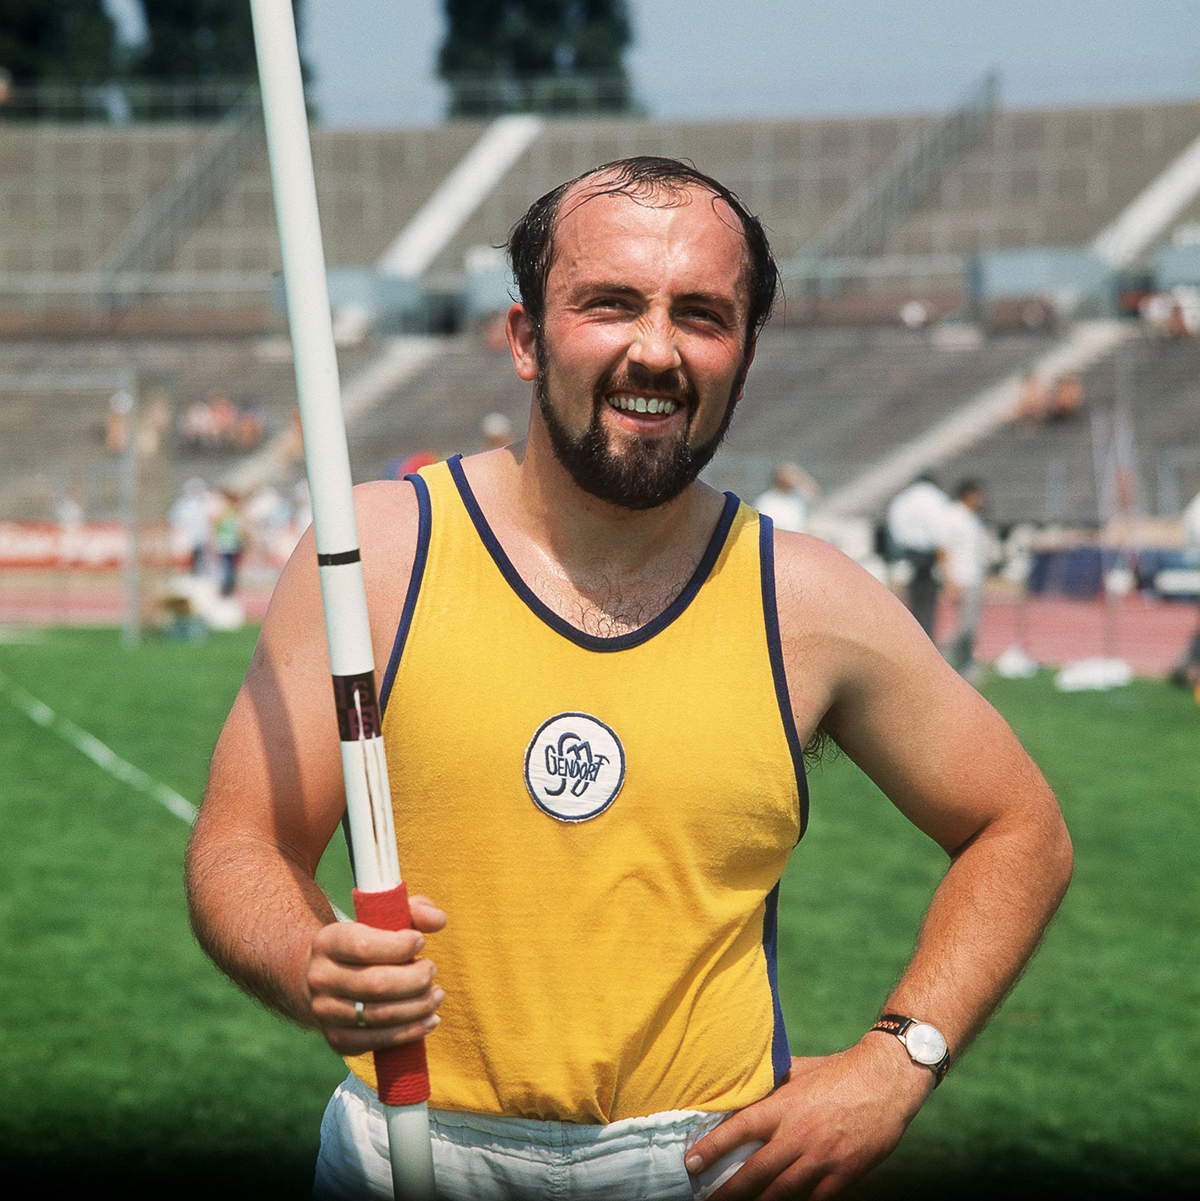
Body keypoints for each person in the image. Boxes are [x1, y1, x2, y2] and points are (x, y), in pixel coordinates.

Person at [185, 157, 1072, 1201]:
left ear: (743, 354)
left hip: (696, 1167)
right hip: (406, 1151)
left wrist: (898, 1058)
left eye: (702, 315)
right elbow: (241, 842)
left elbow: (1021, 829)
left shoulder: (808, 599)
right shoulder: (374, 556)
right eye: (610, 305)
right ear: (525, 337)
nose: (655, 350)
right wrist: (305, 961)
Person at [885, 473, 950, 638]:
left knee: (905, 603)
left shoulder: (903, 499)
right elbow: (941, 530)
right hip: (929, 555)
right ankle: (926, 640)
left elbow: (894, 525)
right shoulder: (937, 498)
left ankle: (909, 639)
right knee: (928, 604)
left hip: (907, 553)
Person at [939, 480, 991, 683]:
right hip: (960, 578)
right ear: (969, 494)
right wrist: (949, 581)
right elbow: (942, 550)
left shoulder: (973, 519)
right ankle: (940, 655)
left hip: (973, 577)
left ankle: (966, 666)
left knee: (972, 626)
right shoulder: (953, 516)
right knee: (966, 627)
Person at [753, 462, 819, 534]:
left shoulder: (797, 498)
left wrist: (801, 478)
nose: (793, 478)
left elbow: (814, 492)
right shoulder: (767, 501)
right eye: (789, 475)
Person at [213, 489, 247, 597]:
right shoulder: (234, 513)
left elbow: (217, 527)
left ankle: (228, 590)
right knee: (229, 568)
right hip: (230, 543)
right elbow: (241, 529)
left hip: (227, 543)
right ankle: (228, 590)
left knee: (228, 568)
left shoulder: (225, 512)